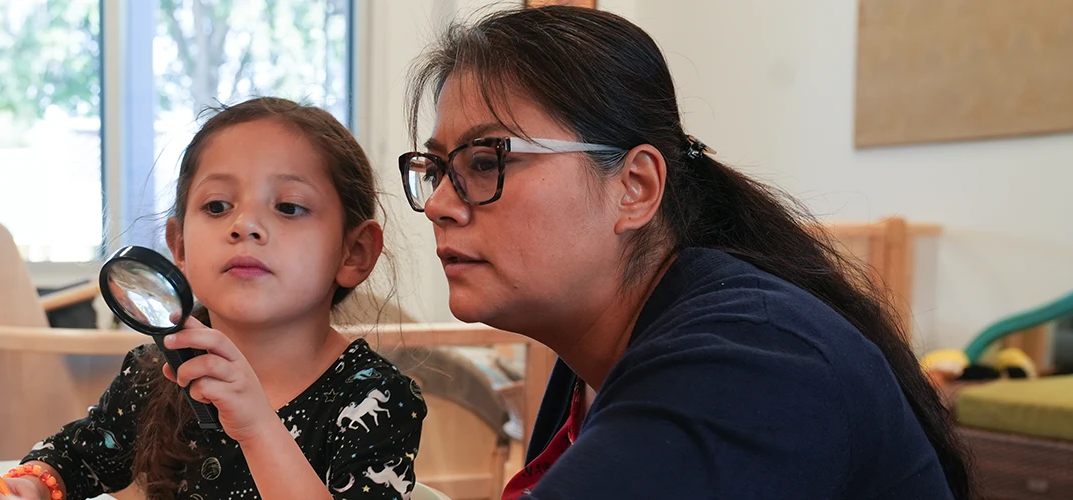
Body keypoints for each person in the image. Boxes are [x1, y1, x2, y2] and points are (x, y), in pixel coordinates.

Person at [399, 6, 973, 499]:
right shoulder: (589, 364)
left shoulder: (749, 359)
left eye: (484, 161)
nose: (439, 205)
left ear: (636, 187)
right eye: (437, 169)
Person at [0, 97, 427, 500]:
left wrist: (257, 428)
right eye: (217, 206)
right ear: (181, 247)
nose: (244, 224)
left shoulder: (376, 397)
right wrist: (33, 483)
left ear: (354, 251)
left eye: (288, 206)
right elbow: (78, 456)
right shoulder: (156, 373)